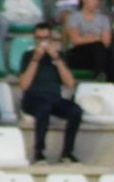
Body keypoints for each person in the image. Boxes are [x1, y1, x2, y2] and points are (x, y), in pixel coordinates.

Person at [18, 22, 83, 163]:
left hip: (54, 98)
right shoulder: (28, 56)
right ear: (34, 39)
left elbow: (70, 83)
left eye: (45, 38)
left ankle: (67, 153)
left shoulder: (59, 56)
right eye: (39, 39)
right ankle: (39, 152)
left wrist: (57, 59)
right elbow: (24, 85)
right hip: (32, 98)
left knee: (75, 111)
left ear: (51, 39)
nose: (42, 42)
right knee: (44, 107)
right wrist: (35, 60)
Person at [64, 0, 114, 81]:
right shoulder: (74, 17)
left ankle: (105, 79)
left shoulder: (103, 19)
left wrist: (87, 38)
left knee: (111, 61)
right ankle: (101, 74)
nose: (95, 2)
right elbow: (76, 40)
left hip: (99, 53)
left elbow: (106, 42)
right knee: (99, 48)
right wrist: (96, 38)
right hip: (79, 54)